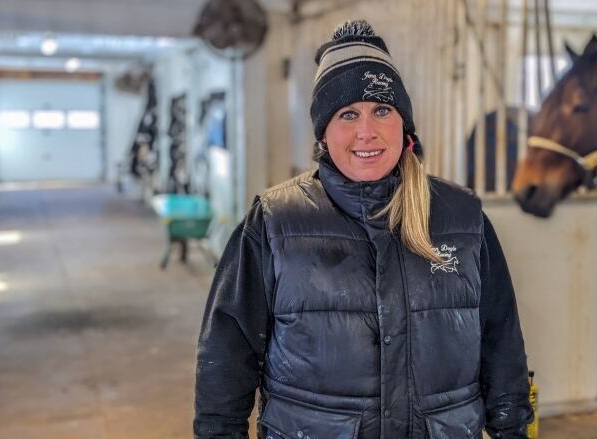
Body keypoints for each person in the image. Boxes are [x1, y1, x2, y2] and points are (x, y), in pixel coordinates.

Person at [194, 19, 533, 439]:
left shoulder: (461, 218)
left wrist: (513, 430)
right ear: (324, 132)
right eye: (347, 114)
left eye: (382, 110)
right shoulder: (275, 222)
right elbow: (227, 356)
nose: (366, 131)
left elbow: (502, 346)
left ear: (404, 125)